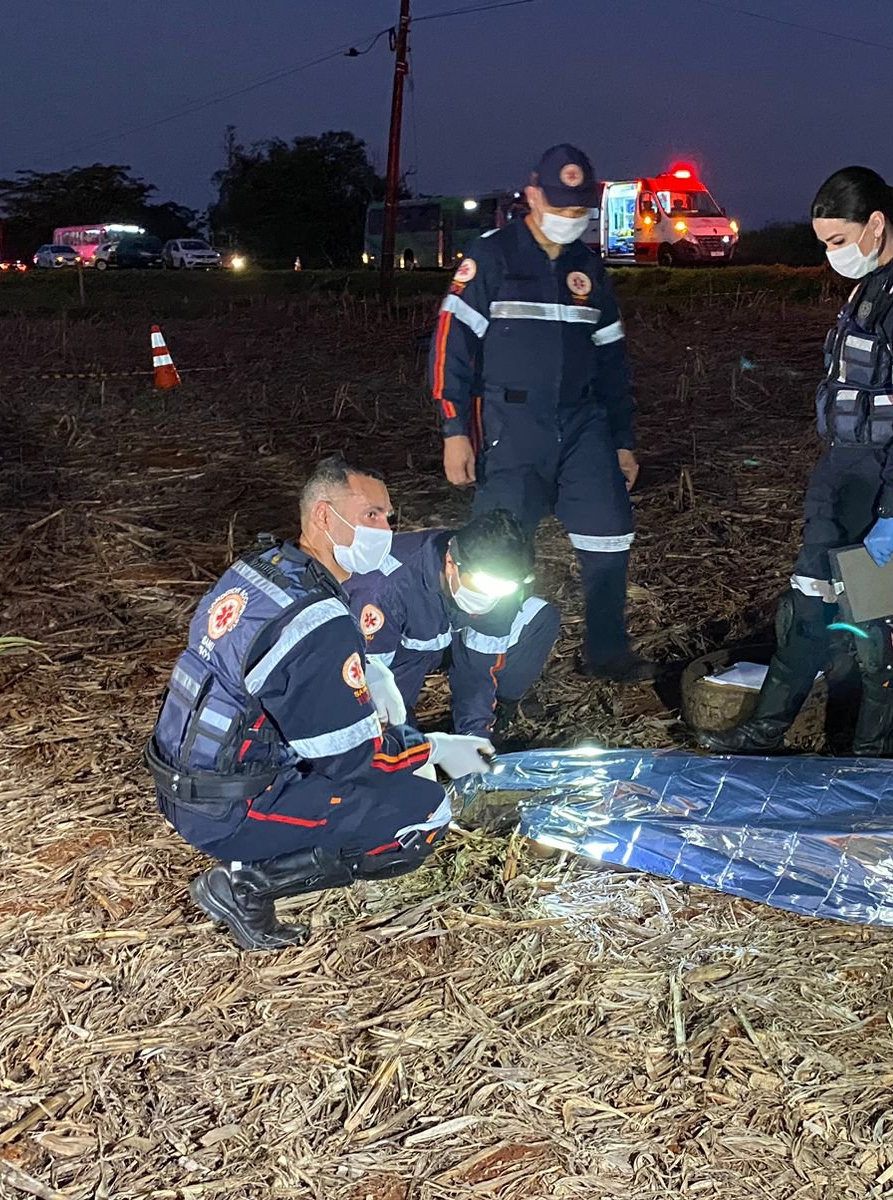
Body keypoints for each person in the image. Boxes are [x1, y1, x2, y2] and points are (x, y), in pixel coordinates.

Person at [144, 455, 494, 951]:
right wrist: (434, 748)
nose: (385, 529)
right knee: (423, 813)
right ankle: (246, 886)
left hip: (182, 777)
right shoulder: (319, 620)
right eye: (371, 515)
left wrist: (365, 673)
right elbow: (356, 761)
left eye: (388, 517)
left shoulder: (260, 568)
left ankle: (250, 858)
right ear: (325, 516)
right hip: (229, 806)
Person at [700, 168, 893, 757]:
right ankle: (764, 731)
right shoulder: (869, 289)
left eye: (838, 240)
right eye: (824, 243)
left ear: (876, 225)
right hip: (841, 470)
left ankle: (872, 754)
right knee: (807, 601)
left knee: (881, 623)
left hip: (888, 478)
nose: (831, 255)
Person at [430, 143, 655, 682]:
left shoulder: (588, 267)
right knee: (498, 549)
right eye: (560, 207)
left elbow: (612, 361)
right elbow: (449, 346)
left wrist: (622, 440)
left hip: (583, 424)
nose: (569, 219)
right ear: (532, 196)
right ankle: (487, 663)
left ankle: (606, 653)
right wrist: (454, 430)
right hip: (511, 424)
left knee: (610, 533)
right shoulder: (492, 257)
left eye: (579, 210)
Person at [342, 508, 560, 739]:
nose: (490, 597)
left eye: (502, 588)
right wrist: (399, 732)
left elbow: (477, 671)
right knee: (394, 732)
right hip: (391, 654)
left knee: (539, 618)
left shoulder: (500, 585)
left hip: (442, 638)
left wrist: (476, 736)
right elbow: (367, 679)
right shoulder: (385, 589)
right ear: (450, 562)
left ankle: (497, 714)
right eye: (483, 586)